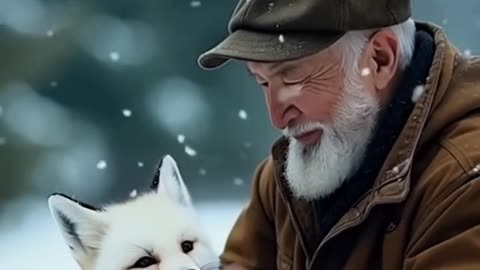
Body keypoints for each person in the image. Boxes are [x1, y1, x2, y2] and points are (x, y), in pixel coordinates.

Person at [197, 0, 480, 269]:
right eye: (262, 81)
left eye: (293, 78)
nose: (277, 117)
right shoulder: (285, 179)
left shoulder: (464, 180)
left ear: (380, 60)